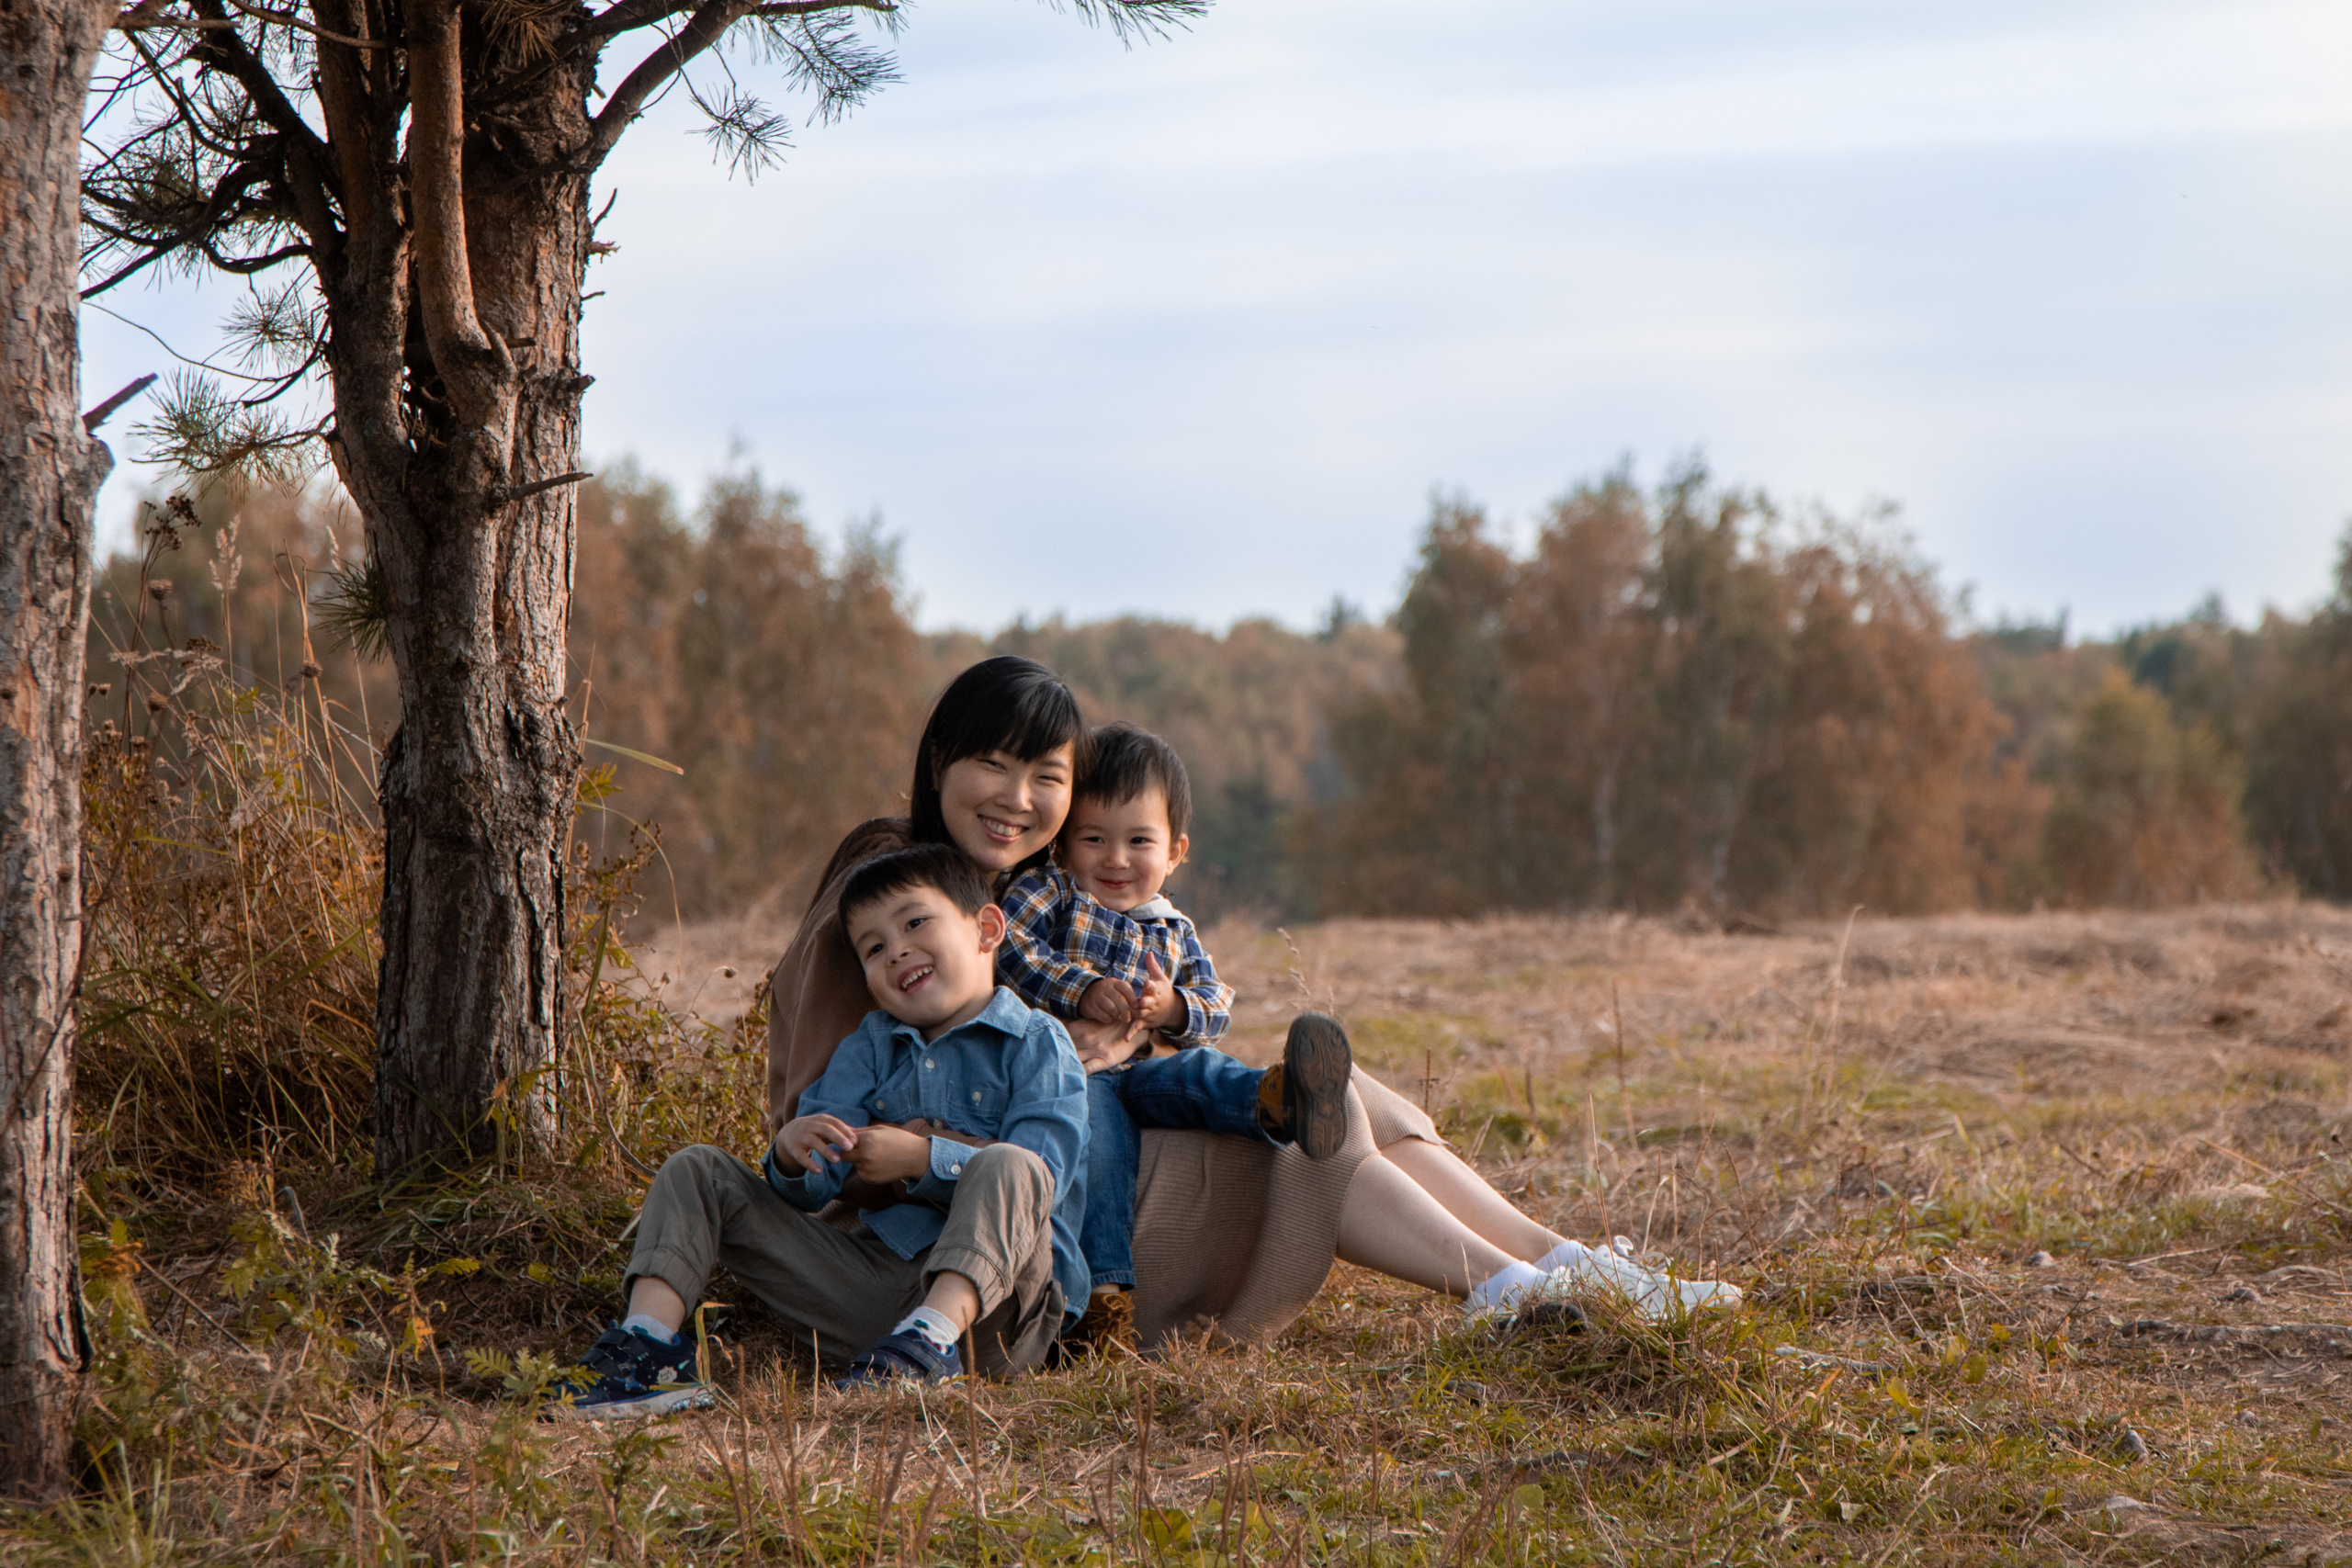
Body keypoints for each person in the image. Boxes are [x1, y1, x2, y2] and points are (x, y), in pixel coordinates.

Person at [766, 656, 1737, 1357]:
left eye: (1047, 778)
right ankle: (1513, 1284)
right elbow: (819, 1106)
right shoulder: (890, 886)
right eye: (991, 766)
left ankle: (1567, 1268)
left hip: (1083, 1132)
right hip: (993, 1204)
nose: (1018, 799)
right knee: (1308, 1134)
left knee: (1339, 1098)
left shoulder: (1030, 888)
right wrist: (1045, 1071)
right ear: (938, 760)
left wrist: (1147, 1020)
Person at [548, 842, 1088, 1417]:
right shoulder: (869, 1047)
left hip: (996, 1315)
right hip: (874, 1293)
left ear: (985, 929)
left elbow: (1043, 1178)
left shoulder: (1037, 1042)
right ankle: (648, 1353)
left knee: (1011, 1163)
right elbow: (809, 1186)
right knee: (698, 1169)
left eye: (915, 922)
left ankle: (928, 1344)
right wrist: (791, 1154)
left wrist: (919, 1158)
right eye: (874, 948)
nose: (897, 950)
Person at [994, 722, 1354, 1337]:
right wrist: (1080, 987)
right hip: (1075, 1073)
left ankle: (1279, 1099)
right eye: (1094, 838)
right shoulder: (1053, 892)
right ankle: (1105, 1298)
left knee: (1199, 1072)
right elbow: (1008, 946)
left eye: (1139, 839)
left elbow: (1216, 1003)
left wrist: (1174, 1010)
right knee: (1099, 1151)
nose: (1115, 858)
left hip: (1147, 1066)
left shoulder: (1173, 928)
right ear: (1061, 845)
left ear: (1175, 852)